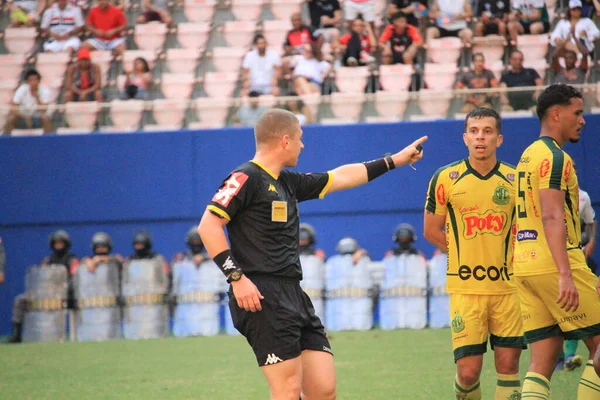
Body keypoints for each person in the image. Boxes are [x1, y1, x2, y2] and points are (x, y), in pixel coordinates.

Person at [197, 108, 426, 399]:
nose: (303, 145)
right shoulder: (245, 177)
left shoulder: (287, 182)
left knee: (323, 390)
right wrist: (237, 278)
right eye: (300, 138)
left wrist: (394, 160)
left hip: (294, 293)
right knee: (288, 390)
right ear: (285, 141)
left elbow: (340, 177)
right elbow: (209, 225)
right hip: (260, 295)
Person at [424, 107, 524, 400]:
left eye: (488, 131)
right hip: (465, 290)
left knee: (508, 366)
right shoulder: (445, 178)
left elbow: (526, 231)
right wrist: (461, 256)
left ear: (499, 139)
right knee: (468, 373)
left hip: (508, 290)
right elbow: (431, 231)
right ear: (465, 138)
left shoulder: (515, 179)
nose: (481, 137)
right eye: (475, 131)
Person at [513, 84, 600, 398]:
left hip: (526, 265)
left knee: (543, 360)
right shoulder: (555, 157)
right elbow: (552, 216)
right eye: (577, 113)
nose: (582, 120)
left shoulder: (527, 156)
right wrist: (566, 275)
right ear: (556, 114)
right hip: (556, 263)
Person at [8, 230, 79, 343]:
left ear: (66, 244)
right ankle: (16, 333)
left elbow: (75, 279)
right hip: (45, 295)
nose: (59, 245)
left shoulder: (72, 260)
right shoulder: (47, 260)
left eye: (61, 243)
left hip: (64, 295)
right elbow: (41, 278)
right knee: (20, 300)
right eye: (56, 243)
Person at [3, 69, 52, 135]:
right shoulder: (22, 89)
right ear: (27, 81)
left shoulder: (45, 91)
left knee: (45, 118)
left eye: (35, 80)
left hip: (37, 116)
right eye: (31, 80)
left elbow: (44, 110)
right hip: (22, 115)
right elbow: (14, 106)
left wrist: (37, 97)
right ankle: (5, 140)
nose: (33, 82)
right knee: (11, 118)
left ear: (39, 80)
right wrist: (25, 117)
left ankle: (48, 141)